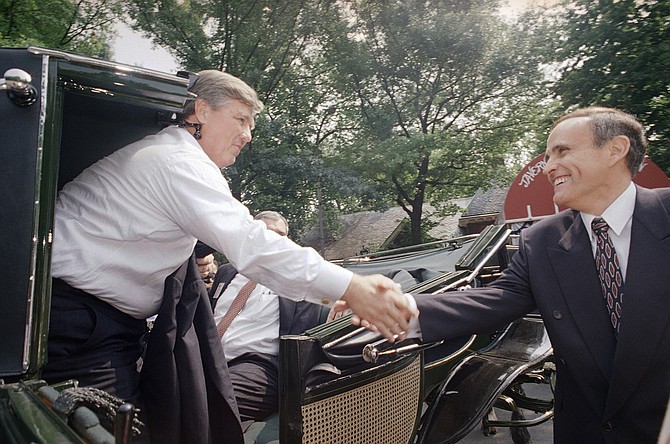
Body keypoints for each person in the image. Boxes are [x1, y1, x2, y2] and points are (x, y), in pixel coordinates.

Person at [43, 70, 413, 414]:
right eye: (240, 119)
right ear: (202, 110)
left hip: (96, 324)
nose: (248, 135)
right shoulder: (178, 161)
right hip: (81, 324)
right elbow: (253, 244)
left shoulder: (168, 158)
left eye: (251, 125)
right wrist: (352, 285)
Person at [397, 107, 670, 443]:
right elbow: (492, 301)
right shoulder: (541, 241)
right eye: (547, 156)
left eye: (563, 151)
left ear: (615, 149)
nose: (548, 167)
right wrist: (392, 307)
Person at [209, 210, 323, 431]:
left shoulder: (298, 281)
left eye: (279, 234)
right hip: (209, 359)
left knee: (204, 398)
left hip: (260, 366)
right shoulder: (226, 273)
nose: (271, 238)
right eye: (264, 232)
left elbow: (303, 341)